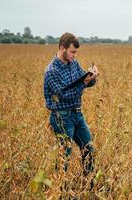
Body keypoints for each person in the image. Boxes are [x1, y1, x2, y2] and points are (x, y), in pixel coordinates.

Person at [43, 32, 99, 176]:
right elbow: (63, 96)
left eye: (76, 52)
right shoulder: (52, 71)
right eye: (72, 52)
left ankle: (88, 184)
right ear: (62, 48)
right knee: (64, 156)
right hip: (61, 117)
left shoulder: (73, 63)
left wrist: (91, 78)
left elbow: (83, 83)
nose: (75, 55)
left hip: (77, 114)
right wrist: (84, 83)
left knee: (89, 148)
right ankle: (62, 192)